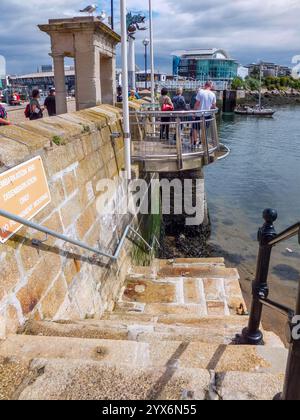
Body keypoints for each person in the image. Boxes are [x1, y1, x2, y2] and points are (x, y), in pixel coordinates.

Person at [192, 81, 217, 147]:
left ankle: (195, 143)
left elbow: (197, 104)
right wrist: (208, 107)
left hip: (199, 114)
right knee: (204, 129)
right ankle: (201, 142)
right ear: (210, 86)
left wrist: (194, 113)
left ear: (205, 85)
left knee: (195, 128)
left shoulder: (201, 92)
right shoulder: (213, 94)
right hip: (207, 115)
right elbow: (214, 106)